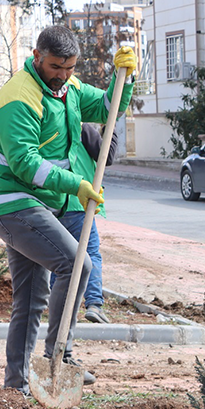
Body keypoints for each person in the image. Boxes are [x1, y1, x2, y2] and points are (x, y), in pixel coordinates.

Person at [0, 25, 136, 395]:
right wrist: (76, 185)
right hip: (10, 202)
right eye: (55, 67)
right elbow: (25, 164)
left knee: (31, 299)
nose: (63, 74)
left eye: (69, 67)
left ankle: (15, 388)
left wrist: (123, 79)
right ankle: (57, 357)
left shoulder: (70, 87)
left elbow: (107, 107)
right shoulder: (18, 97)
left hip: (39, 204)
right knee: (77, 264)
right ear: (37, 57)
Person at [50, 119, 124, 324]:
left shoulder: (48, 130)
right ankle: (94, 304)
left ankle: (57, 304)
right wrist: (110, 128)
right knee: (89, 254)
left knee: (58, 257)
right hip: (80, 203)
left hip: (53, 203)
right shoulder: (82, 130)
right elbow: (106, 157)